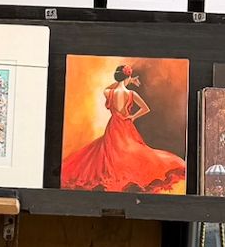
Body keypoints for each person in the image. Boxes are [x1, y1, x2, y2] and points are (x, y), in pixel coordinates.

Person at [61, 64, 185, 192]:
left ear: (117, 77)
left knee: (112, 151)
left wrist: (124, 80)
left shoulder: (109, 92)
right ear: (127, 77)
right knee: (128, 150)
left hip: (113, 125)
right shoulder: (131, 93)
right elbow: (145, 109)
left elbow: (107, 87)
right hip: (126, 124)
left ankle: (113, 172)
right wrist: (133, 116)